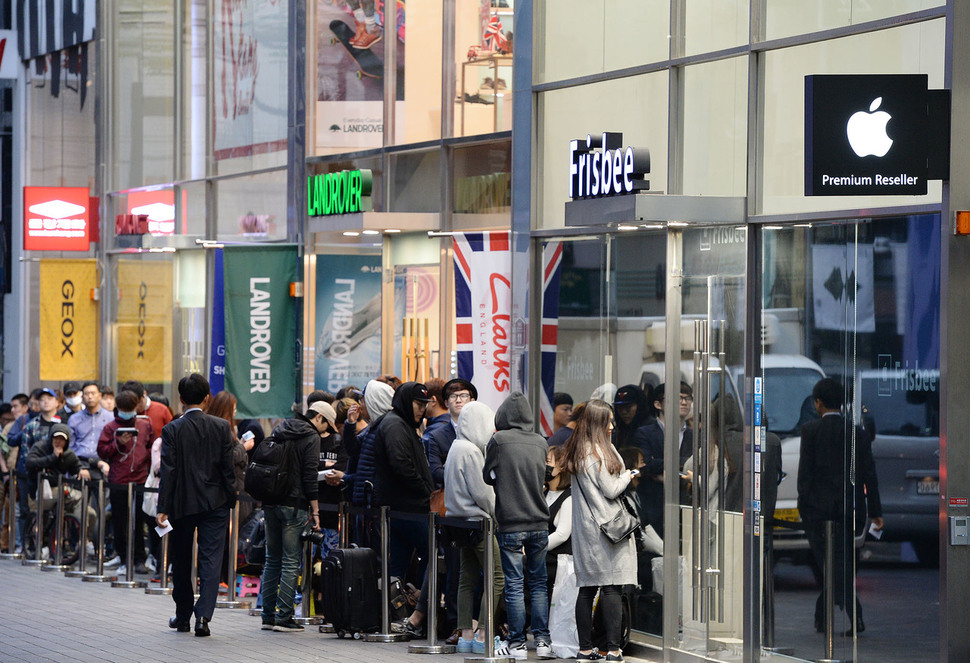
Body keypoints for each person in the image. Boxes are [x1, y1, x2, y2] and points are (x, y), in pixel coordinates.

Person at [798, 377, 882, 637]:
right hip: (851, 513)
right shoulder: (859, 434)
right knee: (840, 565)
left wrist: (805, 509)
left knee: (831, 566)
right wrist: (877, 513)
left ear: (818, 403)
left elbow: (805, 477)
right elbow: (869, 475)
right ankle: (822, 615)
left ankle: (853, 615)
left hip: (819, 513)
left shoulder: (810, 432)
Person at [156, 374, 237, 637]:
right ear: (207, 398)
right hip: (216, 502)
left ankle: (182, 617)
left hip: (182, 502)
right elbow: (227, 468)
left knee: (181, 559)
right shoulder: (222, 427)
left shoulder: (172, 430)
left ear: (180, 399)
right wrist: (231, 496)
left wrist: (163, 507)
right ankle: (203, 617)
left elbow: (169, 471)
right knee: (211, 559)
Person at [563, 399, 638, 662]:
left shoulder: (577, 450)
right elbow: (611, 489)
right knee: (611, 588)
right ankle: (614, 650)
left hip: (586, 530)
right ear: (598, 423)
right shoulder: (597, 452)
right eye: (608, 421)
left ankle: (584, 649)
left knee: (587, 588)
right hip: (607, 531)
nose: (612, 426)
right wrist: (628, 475)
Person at [483, 391, 553, 660]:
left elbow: (487, 476)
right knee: (538, 583)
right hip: (539, 520)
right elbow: (545, 475)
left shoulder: (498, 441)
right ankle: (544, 642)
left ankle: (518, 644)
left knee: (514, 584)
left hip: (510, 522)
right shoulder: (540, 442)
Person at [371, 382, 434, 637]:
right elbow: (402, 465)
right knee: (431, 554)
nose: (422, 411)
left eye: (424, 405)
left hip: (401, 508)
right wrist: (425, 490)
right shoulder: (396, 424)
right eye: (419, 405)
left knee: (395, 566)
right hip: (408, 508)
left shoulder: (398, 422)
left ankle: (392, 617)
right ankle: (410, 616)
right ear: (406, 402)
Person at [443, 400, 505, 654]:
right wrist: (497, 514)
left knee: (465, 580)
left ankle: (466, 634)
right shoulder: (471, 451)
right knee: (496, 578)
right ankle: (482, 636)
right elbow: (484, 495)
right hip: (478, 523)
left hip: (458, 523)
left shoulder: (456, 447)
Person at [258, 401, 325, 633]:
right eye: (324, 423)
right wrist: (315, 511)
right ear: (319, 418)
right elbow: (310, 477)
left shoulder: (282, 428)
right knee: (289, 562)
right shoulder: (311, 436)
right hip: (294, 505)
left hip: (271, 501)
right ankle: (284, 617)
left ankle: (267, 616)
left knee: (272, 559)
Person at [98, 390, 154, 573]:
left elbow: (151, 447)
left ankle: (139, 559)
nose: (128, 412)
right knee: (120, 521)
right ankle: (123, 558)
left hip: (140, 479)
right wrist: (118, 443)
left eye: (130, 408)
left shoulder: (145, 425)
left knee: (139, 522)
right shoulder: (110, 427)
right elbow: (102, 451)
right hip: (118, 480)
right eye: (124, 409)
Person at [632, 382, 694, 538]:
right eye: (677, 398)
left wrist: (664, 469)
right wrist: (683, 464)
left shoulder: (694, 436)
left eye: (688, 398)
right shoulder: (645, 433)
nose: (684, 402)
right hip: (653, 507)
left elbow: (697, 465)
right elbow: (647, 465)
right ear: (658, 404)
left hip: (684, 506)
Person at [68, 382, 114, 480]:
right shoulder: (74, 419)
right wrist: (76, 467)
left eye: (93, 393)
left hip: (103, 465)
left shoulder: (110, 417)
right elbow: (70, 447)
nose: (90, 397)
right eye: (87, 394)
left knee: (102, 494)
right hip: (80, 464)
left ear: (100, 396)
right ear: (82, 397)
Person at [544, 444, 572, 593]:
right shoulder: (543, 493)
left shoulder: (568, 497)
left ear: (561, 466)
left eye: (548, 462)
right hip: (540, 556)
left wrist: (535, 548)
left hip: (556, 562)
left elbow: (562, 534)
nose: (544, 466)